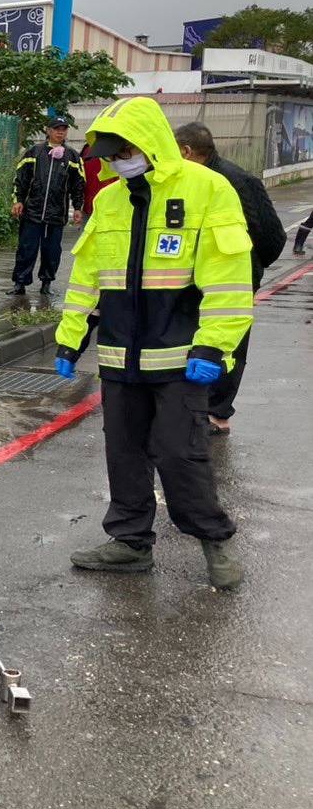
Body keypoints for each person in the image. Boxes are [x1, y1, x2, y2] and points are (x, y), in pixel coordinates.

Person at [55, 97, 254, 590]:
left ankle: (215, 541)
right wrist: (69, 338)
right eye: (108, 155)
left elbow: (228, 280)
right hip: (120, 355)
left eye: (122, 150)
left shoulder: (208, 189)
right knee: (122, 451)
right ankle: (129, 542)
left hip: (181, 360)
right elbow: (87, 277)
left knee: (178, 453)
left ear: (148, 145)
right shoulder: (110, 200)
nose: (116, 161)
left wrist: (213, 347)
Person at [175, 122, 286, 434]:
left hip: (232, 277)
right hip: (198, 277)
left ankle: (218, 413)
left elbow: (271, 236)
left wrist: (248, 269)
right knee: (200, 340)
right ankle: (196, 405)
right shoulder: (191, 181)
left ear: (186, 151)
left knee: (230, 344)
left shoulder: (234, 180)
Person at [10, 116, 85, 296]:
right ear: (48, 130)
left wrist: (78, 208)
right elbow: (20, 179)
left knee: (52, 251)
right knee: (26, 248)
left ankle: (46, 283)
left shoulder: (73, 156)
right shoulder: (33, 152)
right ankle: (20, 284)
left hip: (56, 214)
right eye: (57, 128)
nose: (61, 132)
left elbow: (78, 185)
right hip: (32, 212)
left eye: (64, 129)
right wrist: (18, 200)